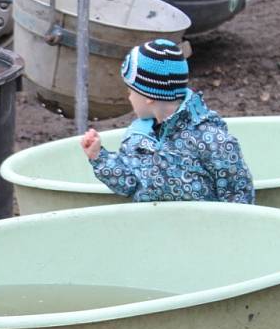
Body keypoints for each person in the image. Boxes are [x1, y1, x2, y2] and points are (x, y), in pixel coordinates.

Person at [80, 38, 255, 204]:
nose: (130, 98)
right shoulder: (137, 137)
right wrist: (99, 157)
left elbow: (238, 193)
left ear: (148, 97)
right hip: (156, 230)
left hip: (204, 231)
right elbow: (129, 184)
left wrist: (233, 230)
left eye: (131, 92)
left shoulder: (211, 139)